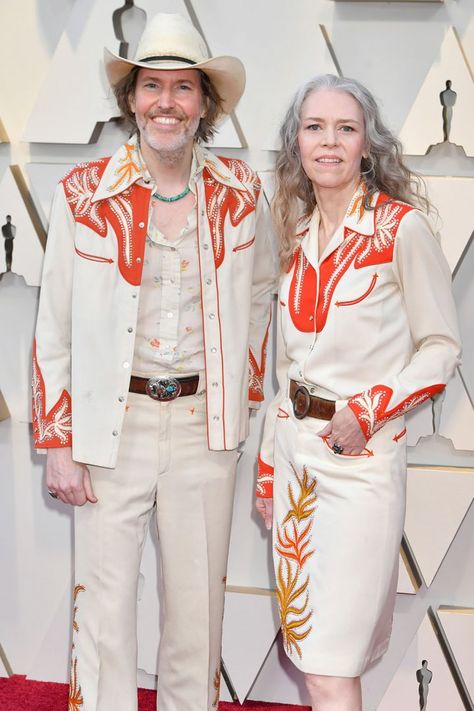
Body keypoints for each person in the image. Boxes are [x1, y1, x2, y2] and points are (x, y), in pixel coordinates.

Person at [32, 13, 275, 711]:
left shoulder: (240, 193)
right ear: (131, 98)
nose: (166, 102)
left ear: (206, 102)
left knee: (196, 616)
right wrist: (58, 442)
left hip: (204, 430)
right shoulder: (83, 194)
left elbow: (261, 296)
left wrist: (240, 397)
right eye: (151, 86)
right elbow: (55, 327)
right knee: (103, 612)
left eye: (183, 88)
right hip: (111, 428)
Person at [256, 74, 461, 711]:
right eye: (314, 127)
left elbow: (441, 349)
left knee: (333, 657)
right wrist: (268, 467)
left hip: (361, 465)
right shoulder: (291, 236)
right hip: (295, 464)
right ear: (297, 143)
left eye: (345, 128)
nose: (329, 142)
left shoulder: (402, 230)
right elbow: (285, 366)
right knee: (312, 654)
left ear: (367, 144)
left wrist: (367, 412)